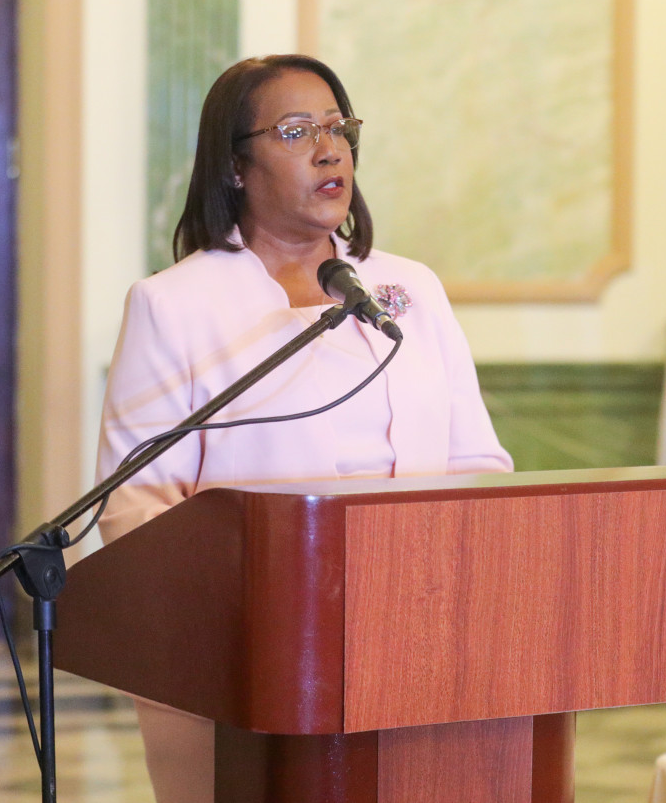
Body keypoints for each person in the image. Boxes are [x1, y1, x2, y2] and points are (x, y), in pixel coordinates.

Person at [95, 54, 513, 802]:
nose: (329, 150)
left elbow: (479, 460)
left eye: (338, 128)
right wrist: (248, 600)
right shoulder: (174, 306)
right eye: (295, 132)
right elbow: (136, 503)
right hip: (244, 650)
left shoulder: (410, 289)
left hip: (419, 632)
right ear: (234, 166)